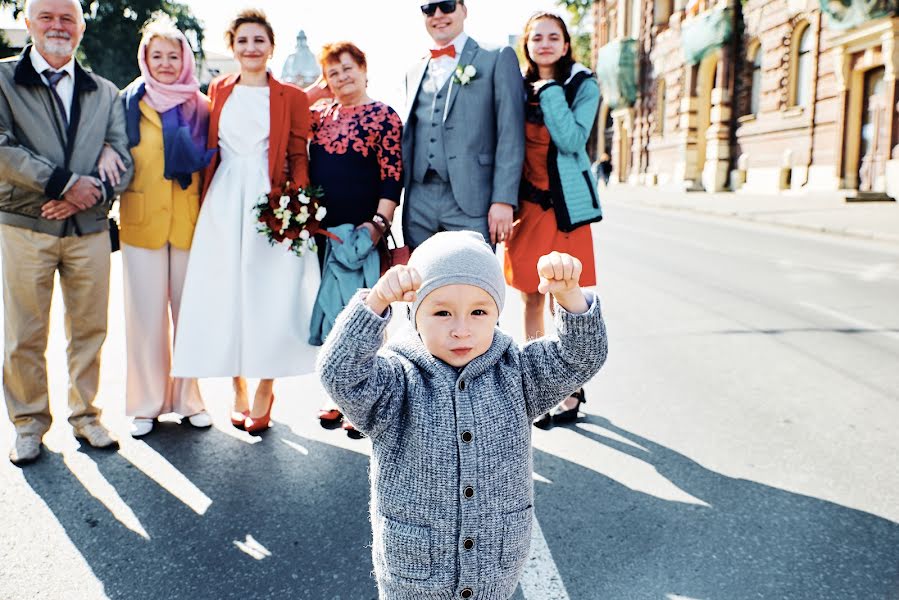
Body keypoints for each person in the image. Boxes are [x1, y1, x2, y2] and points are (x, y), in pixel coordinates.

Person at [318, 231, 608, 599]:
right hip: (415, 573)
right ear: (414, 315)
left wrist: (569, 295)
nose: (461, 329)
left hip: (494, 568)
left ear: (497, 315)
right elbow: (338, 372)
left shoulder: (518, 373)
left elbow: (582, 356)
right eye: (441, 312)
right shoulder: (396, 381)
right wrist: (376, 303)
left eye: (479, 312)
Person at [171, 9, 319, 434]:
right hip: (222, 200)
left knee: (270, 294)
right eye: (242, 41)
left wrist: (295, 204)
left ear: (271, 46)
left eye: (259, 40)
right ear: (233, 47)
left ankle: (265, 385)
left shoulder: (290, 95)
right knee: (227, 291)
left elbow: (297, 153)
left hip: (271, 200)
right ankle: (236, 382)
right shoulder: (218, 88)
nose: (251, 48)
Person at [0, 0, 133, 465]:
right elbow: (2, 148)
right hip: (24, 227)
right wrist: (63, 183)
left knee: (90, 330)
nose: (58, 26)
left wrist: (89, 192)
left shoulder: (105, 91)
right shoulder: (2, 79)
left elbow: (123, 157)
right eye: (47, 17)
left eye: (67, 19)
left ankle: (87, 416)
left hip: (90, 229)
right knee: (24, 333)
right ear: (28, 23)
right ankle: (29, 424)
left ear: (81, 28)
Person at [98, 17, 216, 438]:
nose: (165, 64)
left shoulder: (201, 105)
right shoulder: (127, 102)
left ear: (185, 59)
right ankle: (147, 404)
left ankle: (189, 400)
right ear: (144, 58)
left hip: (189, 225)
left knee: (190, 317)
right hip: (140, 222)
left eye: (174, 55)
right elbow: (107, 146)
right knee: (145, 319)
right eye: (157, 55)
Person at [504, 12, 602, 427]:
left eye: (553, 37)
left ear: (565, 44)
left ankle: (571, 386)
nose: (544, 43)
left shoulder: (583, 85)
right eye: (536, 37)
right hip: (526, 210)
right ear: (528, 45)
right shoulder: (515, 88)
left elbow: (572, 140)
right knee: (530, 296)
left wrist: (550, 93)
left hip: (564, 211)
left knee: (566, 296)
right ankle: (538, 384)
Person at [306, 41, 403, 435]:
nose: (342, 77)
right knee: (332, 313)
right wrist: (317, 88)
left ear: (364, 69)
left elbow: (393, 173)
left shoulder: (384, 116)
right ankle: (336, 393)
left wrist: (378, 223)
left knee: (362, 312)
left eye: (348, 68)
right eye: (333, 72)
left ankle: (362, 400)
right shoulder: (318, 116)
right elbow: (289, 108)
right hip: (322, 231)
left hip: (363, 231)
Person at [402, 0, 524, 249]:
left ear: (464, 10)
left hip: (473, 199)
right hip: (419, 200)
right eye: (429, 9)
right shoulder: (413, 69)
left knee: (474, 283)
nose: (438, 15)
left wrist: (503, 200)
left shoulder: (496, 57)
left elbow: (510, 133)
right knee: (417, 284)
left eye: (446, 6)